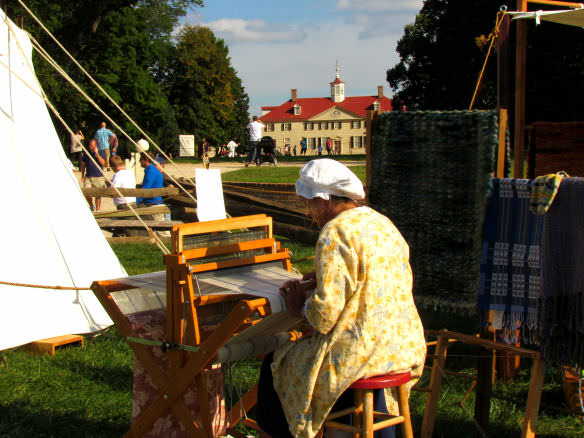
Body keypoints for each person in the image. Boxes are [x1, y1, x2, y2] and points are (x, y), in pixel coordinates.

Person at [256, 159, 426, 438]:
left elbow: (324, 317)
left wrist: (299, 306)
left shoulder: (334, 233)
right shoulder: (380, 221)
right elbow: (370, 278)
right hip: (402, 345)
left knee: (276, 363)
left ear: (323, 201)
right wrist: (321, 277)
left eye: (308, 204)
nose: (308, 213)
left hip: (361, 356)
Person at [80, 139, 106, 211]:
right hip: (88, 176)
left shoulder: (101, 152)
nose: (91, 147)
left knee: (98, 195)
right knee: (86, 192)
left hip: (98, 176)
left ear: (96, 146)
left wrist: (97, 154)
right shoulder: (86, 153)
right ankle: (91, 205)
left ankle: (98, 209)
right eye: (90, 146)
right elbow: (83, 165)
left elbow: (103, 163)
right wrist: (82, 175)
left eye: (92, 146)